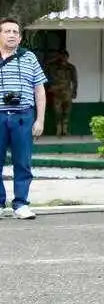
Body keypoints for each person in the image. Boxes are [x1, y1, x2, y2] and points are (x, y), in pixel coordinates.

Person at [0, 18, 46, 220]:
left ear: (20, 37)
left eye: (15, 32)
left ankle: (21, 204)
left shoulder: (29, 57)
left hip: (23, 117)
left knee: (23, 162)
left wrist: (40, 119)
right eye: (7, 31)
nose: (11, 35)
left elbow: (39, 89)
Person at [46, 50, 77, 137]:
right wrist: (54, 59)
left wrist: (74, 91)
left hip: (67, 92)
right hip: (56, 92)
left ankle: (65, 130)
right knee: (57, 112)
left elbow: (74, 80)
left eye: (64, 56)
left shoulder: (71, 67)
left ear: (67, 57)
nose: (63, 58)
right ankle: (59, 130)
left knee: (67, 112)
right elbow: (46, 65)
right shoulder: (53, 67)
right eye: (61, 56)